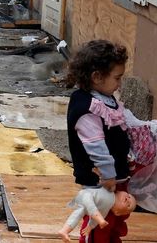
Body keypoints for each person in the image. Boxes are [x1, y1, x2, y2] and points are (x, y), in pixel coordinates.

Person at [66, 40, 131, 243]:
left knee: (116, 217)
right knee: (99, 222)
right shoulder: (88, 108)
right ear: (96, 77)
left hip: (115, 176)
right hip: (101, 181)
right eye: (117, 78)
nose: (119, 83)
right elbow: (96, 147)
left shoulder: (105, 98)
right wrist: (109, 175)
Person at [58, 189, 136, 243]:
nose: (128, 199)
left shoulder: (107, 208)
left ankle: (65, 230)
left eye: (128, 205)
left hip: (88, 198)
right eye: (129, 196)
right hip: (88, 193)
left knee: (79, 213)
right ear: (118, 191)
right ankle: (65, 230)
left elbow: (95, 218)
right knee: (81, 212)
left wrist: (91, 226)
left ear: (117, 212)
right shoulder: (111, 189)